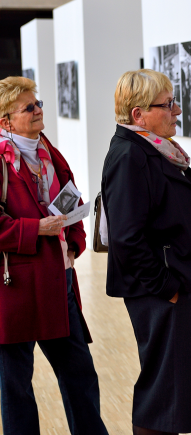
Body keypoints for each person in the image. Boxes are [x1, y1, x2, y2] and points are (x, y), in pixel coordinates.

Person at [102, 69, 191, 435]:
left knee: (175, 387)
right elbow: (126, 237)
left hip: (176, 282)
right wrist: (167, 287)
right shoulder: (130, 155)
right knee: (164, 390)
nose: (177, 111)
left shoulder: (156, 150)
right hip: (160, 291)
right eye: (168, 104)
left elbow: (172, 198)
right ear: (138, 115)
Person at [0, 76, 108, 434]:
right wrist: (37, 229)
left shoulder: (47, 149)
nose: (38, 111)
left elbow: (71, 198)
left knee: (80, 374)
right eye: (28, 107)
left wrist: (74, 243)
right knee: (16, 386)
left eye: (39, 103)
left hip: (58, 281)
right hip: (15, 288)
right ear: (5, 122)